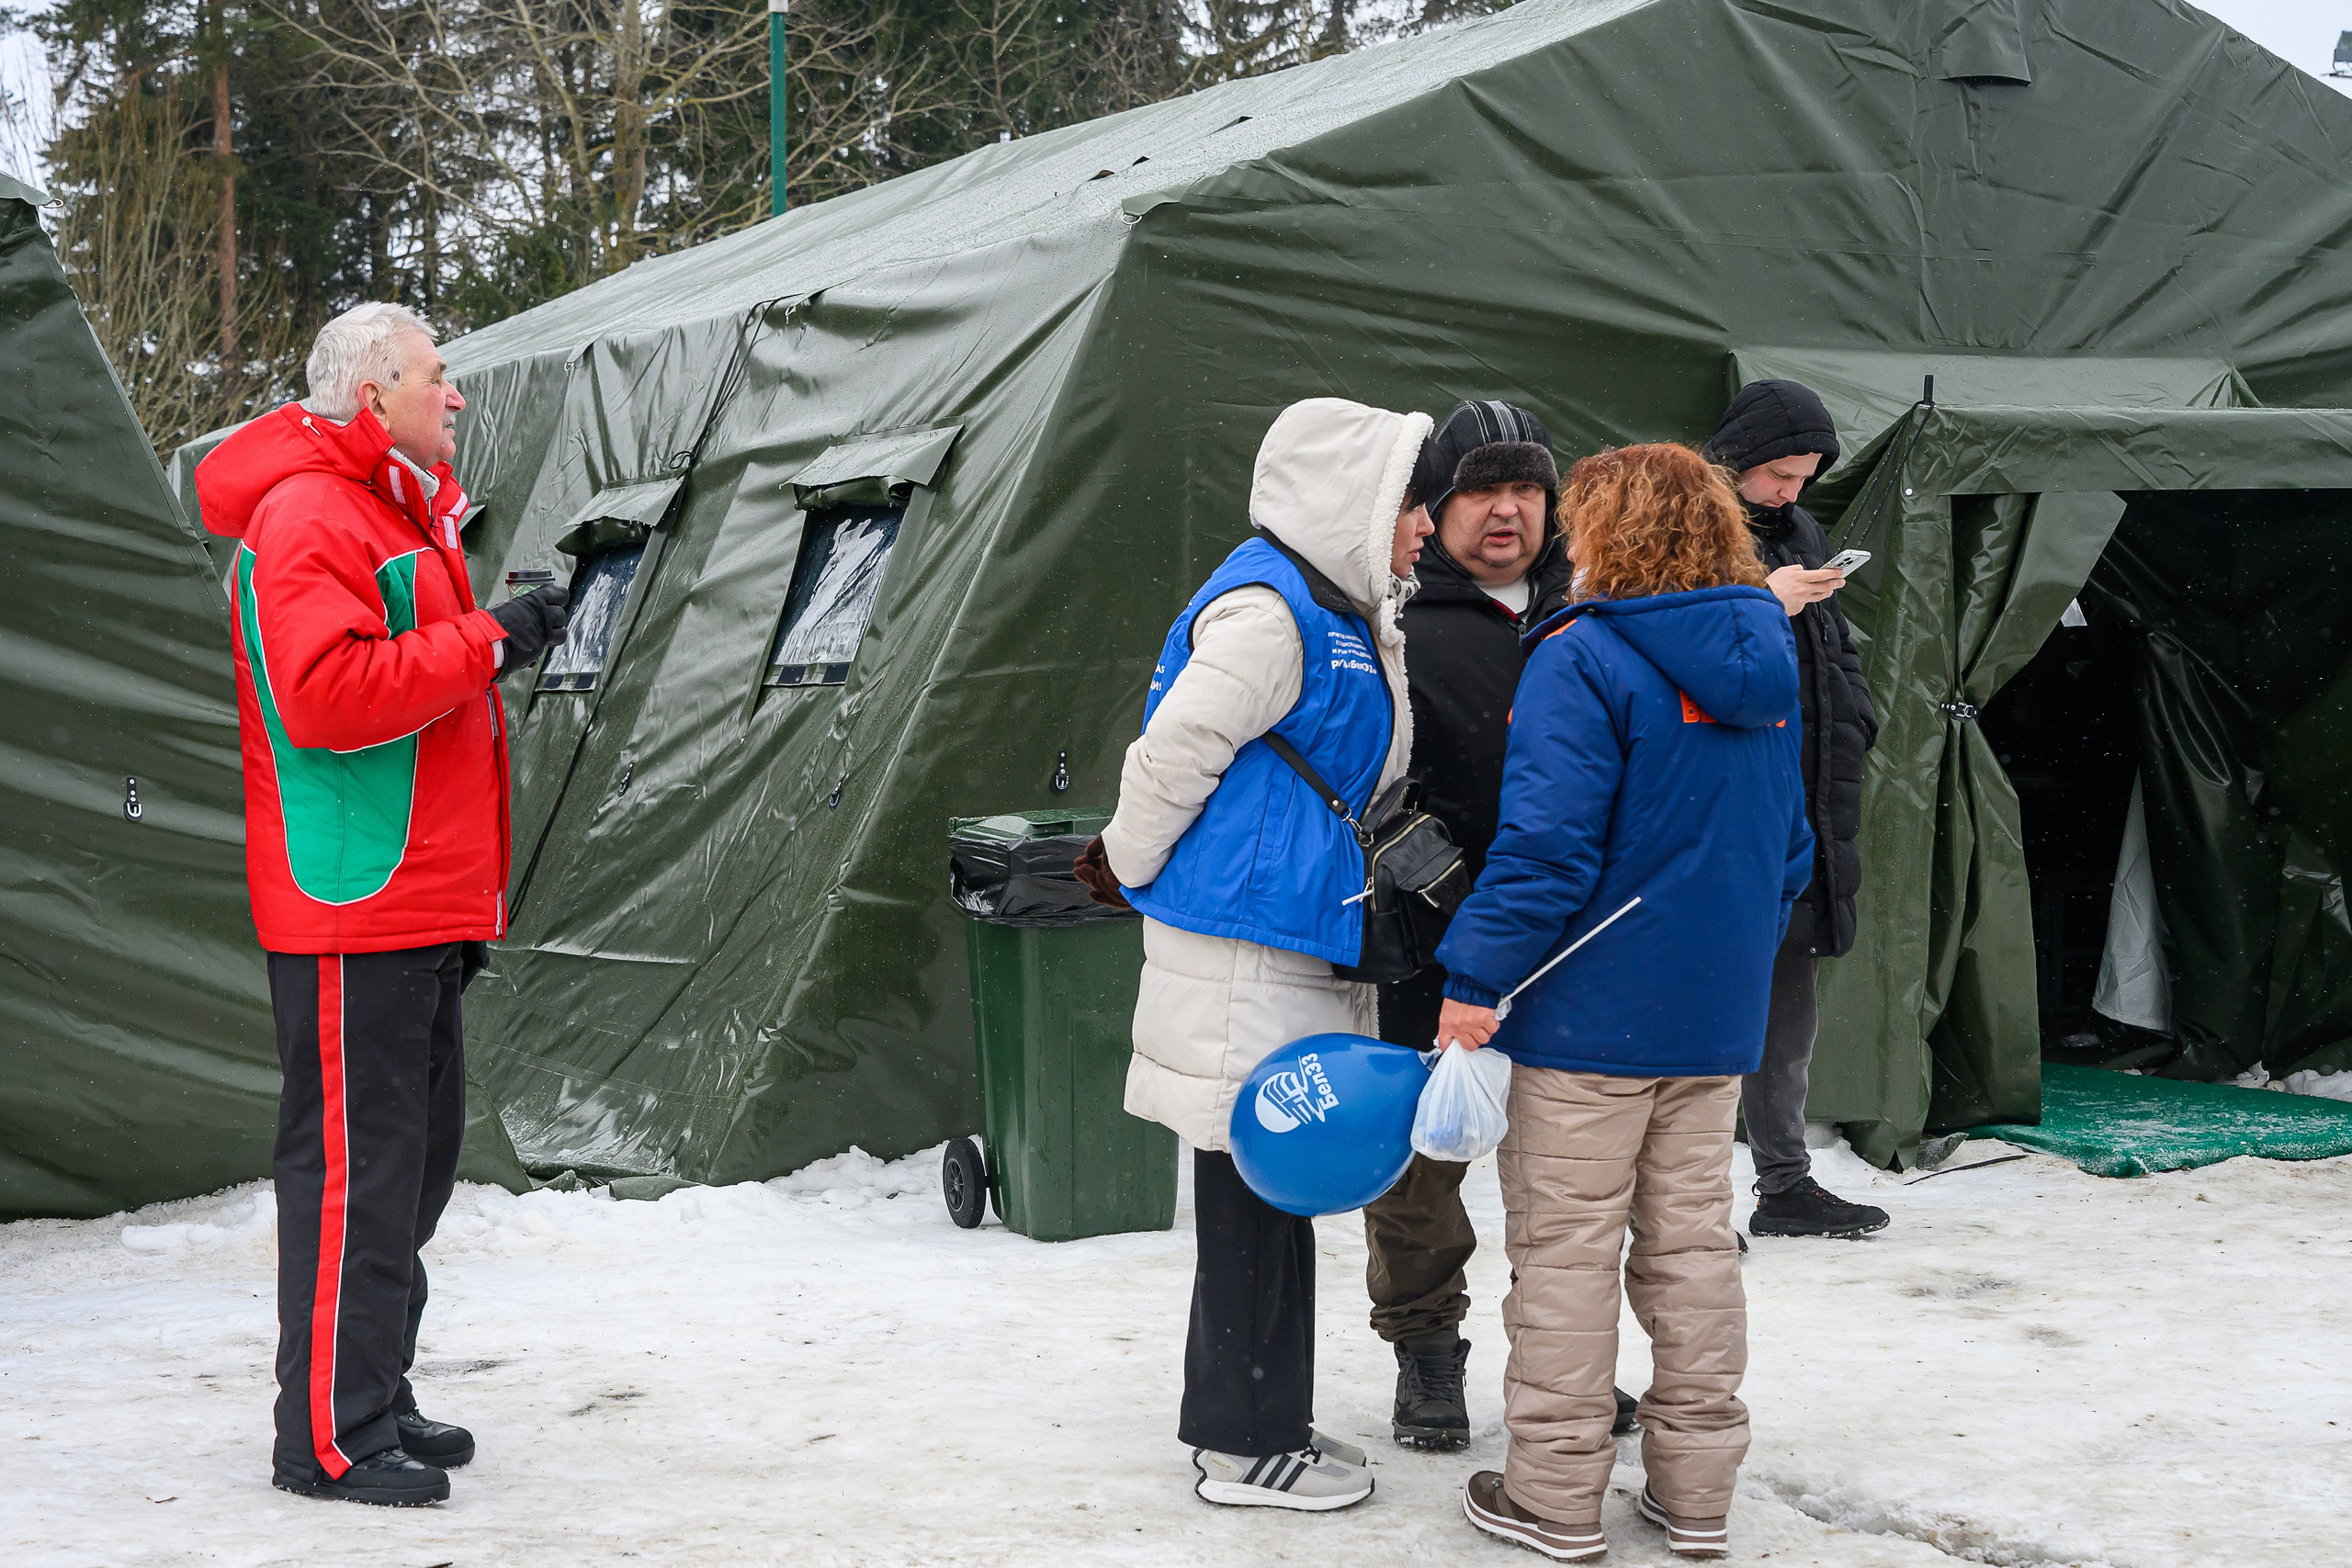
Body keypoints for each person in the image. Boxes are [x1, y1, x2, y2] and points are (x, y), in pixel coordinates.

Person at [196, 302, 571, 1506]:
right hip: (354, 901)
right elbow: (326, 695)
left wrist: (491, 636)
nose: (454, 395)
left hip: (416, 902)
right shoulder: (310, 513)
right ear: (374, 395)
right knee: (354, 1175)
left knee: (405, 1173)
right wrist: (487, 642)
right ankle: (327, 1436)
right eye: (435, 375)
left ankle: (375, 1393)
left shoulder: (383, 506)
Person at [1433, 443, 1811, 1561]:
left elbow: (1545, 849)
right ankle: (1696, 1494)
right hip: (1713, 1021)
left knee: (1566, 1255)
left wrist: (1472, 979)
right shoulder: (1764, 651)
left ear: (1606, 532)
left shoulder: (1583, 656)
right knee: (1693, 1251)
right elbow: (1788, 852)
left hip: (1587, 1020)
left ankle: (1551, 1496)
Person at [1073, 397, 1432, 1512]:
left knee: (1278, 1184)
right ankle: (1238, 1442)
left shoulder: (1333, 606)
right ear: (1351, 500)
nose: (1424, 524)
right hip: (1241, 948)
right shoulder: (1272, 615)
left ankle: (1268, 1416)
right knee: (1248, 1186)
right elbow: (1171, 751)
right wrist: (1129, 867)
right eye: (1409, 502)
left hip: (1285, 938)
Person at [1362, 399, 1579, 1452]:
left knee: (1573, 1181)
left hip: (1576, 948)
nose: (1506, 512)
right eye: (1483, 491)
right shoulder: (1392, 622)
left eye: (1526, 490)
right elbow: (1366, 785)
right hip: (1431, 946)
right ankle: (1426, 1362)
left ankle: (1561, 1363)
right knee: (1419, 1172)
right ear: (1436, 506)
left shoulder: (1595, 609)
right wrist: (1437, 880)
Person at [1705, 380, 1888, 1239]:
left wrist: (1855, 716)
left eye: (1805, 477)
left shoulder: (1802, 529)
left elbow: (1836, 646)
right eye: (1779, 474)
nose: (1791, 492)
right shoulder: (1692, 530)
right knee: (1707, 1014)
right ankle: (1693, 1204)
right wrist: (1761, 599)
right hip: (1728, 815)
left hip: (1808, 801)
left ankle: (1784, 1184)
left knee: (1788, 1005)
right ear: (1739, 458)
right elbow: (1689, 657)